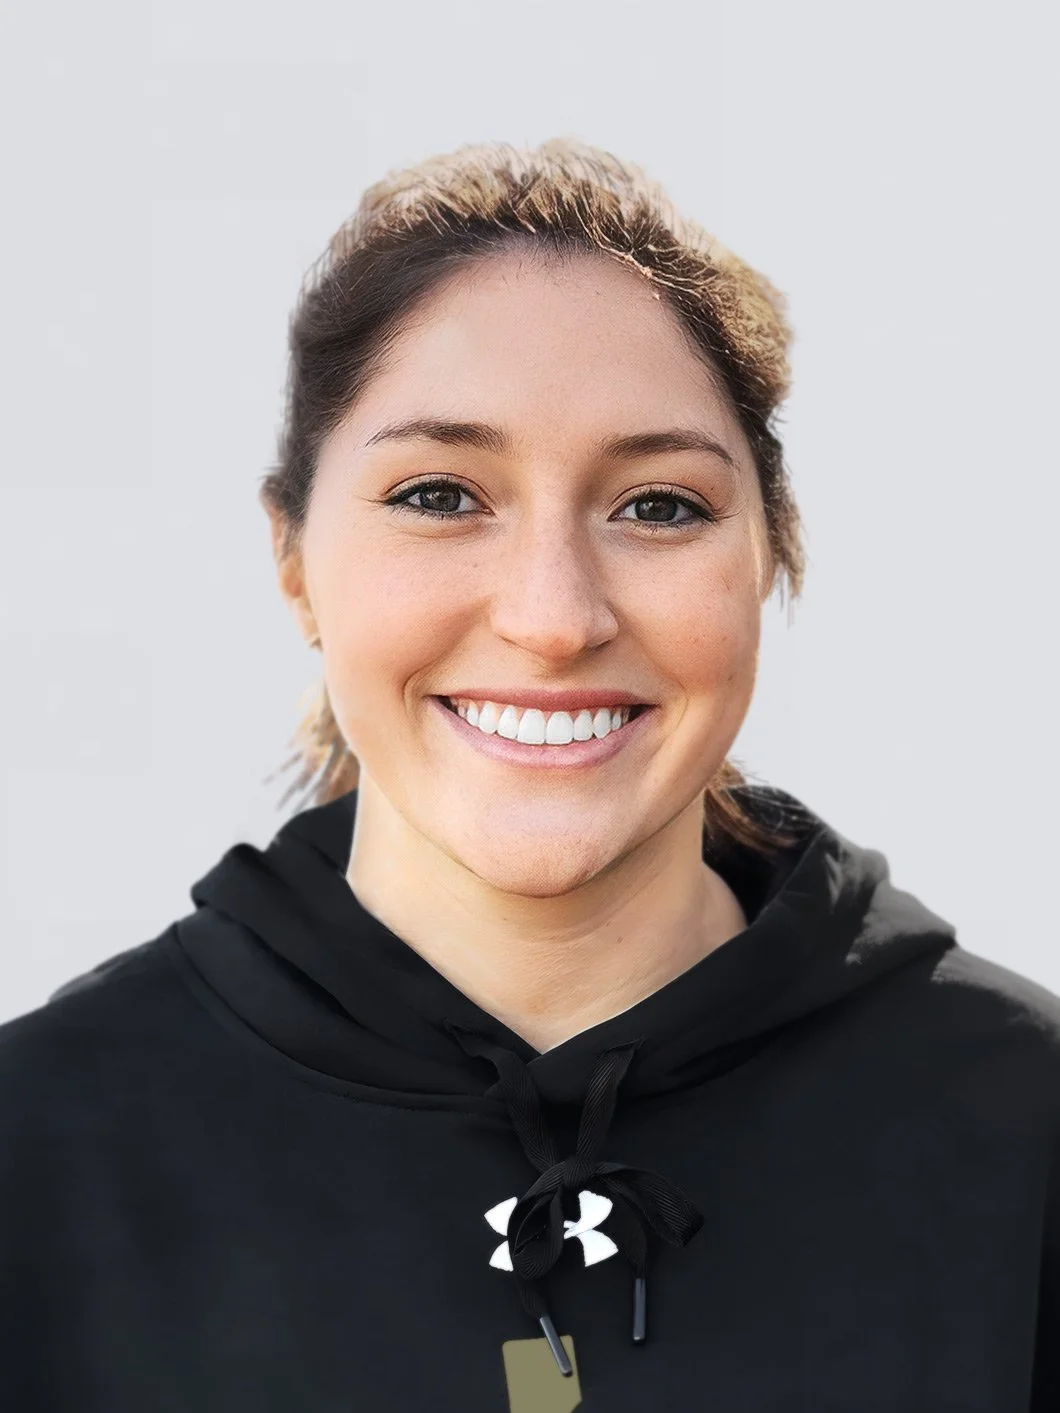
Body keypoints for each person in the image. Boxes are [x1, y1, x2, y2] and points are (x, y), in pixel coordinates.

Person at [1, 137, 1057, 1413]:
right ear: (291, 558)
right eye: (442, 494)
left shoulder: (1024, 1131)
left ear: (769, 552)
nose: (554, 618)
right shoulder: (38, 1153)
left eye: (658, 506)